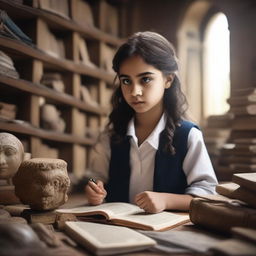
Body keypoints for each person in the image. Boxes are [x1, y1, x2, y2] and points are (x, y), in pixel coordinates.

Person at [85, 31, 218, 213]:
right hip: (116, 231)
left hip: (170, 232)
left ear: (168, 80)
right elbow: (94, 178)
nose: (135, 91)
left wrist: (166, 201)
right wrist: (93, 188)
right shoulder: (110, 136)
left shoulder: (188, 136)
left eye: (145, 79)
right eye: (126, 81)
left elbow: (208, 194)